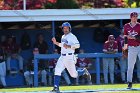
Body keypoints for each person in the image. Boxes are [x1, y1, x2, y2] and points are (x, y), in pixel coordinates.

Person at [51, 22, 80, 92]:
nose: (65, 29)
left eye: (67, 28)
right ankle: (56, 88)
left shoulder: (72, 36)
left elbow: (78, 45)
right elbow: (62, 45)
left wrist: (69, 46)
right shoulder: (63, 36)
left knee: (74, 75)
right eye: (64, 28)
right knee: (57, 70)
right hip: (62, 56)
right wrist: (56, 43)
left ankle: (83, 71)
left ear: (69, 28)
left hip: (69, 57)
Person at [123, 12, 140, 89]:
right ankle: (129, 82)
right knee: (130, 66)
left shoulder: (139, 25)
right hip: (131, 47)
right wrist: (125, 46)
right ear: (131, 17)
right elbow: (125, 37)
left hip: (139, 46)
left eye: (136, 16)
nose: (135, 18)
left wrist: (134, 37)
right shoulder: (126, 26)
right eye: (133, 16)